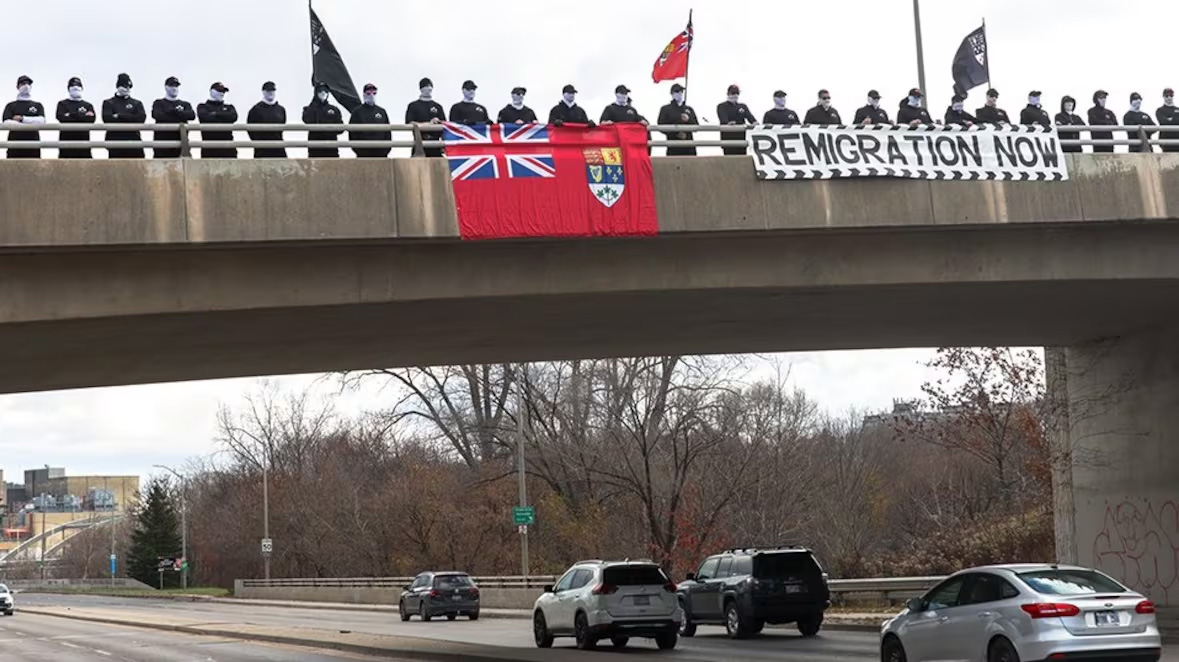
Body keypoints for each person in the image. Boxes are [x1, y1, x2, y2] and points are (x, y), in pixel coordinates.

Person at [102, 73, 148, 159]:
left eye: (129, 86)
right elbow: (107, 119)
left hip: (134, 142)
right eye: (125, 86)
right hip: (115, 143)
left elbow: (141, 119)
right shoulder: (108, 103)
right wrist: (131, 117)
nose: (127, 88)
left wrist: (119, 116)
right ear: (118, 86)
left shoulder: (137, 103)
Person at [2, 75, 46, 159]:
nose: (26, 86)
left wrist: (22, 119)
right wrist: (31, 123)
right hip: (14, 146)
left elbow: (41, 121)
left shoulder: (37, 105)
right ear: (17, 86)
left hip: (33, 146)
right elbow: (6, 123)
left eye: (28, 83)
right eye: (23, 83)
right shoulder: (10, 106)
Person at [151, 76, 196, 159]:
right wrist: (178, 115)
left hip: (180, 145)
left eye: (176, 86)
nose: (174, 88)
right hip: (162, 146)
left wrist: (171, 113)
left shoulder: (185, 104)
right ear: (166, 87)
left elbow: (192, 116)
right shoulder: (158, 103)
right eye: (172, 86)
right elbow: (157, 115)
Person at [55, 76, 96, 159]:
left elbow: (91, 119)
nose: (75, 87)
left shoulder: (88, 105)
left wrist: (70, 115)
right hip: (66, 145)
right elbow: (61, 117)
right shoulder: (62, 104)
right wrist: (82, 116)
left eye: (78, 85)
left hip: (84, 145)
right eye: (73, 86)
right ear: (68, 89)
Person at [197, 82, 239, 159]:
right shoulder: (202, 106)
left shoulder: (229, 107)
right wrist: (224, 116)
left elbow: (233, 117)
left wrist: (215, 114)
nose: (222, 93)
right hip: (209, 149)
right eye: (219, 91)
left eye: (223, 91)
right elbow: (205, 118)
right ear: (212, 91)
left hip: (228, 149)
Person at [406, 77, 446, 157]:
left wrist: (444, 145)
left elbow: (445, 126)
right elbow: (409, 123)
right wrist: (428, 124)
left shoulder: (437, 106)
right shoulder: (413, 106)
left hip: (435, 145)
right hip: (419, 144)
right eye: (427, 86)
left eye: (431, 86)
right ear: (421, 89)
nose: (429, 88)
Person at [350, 83, 391, 158]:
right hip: (363, 155)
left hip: (381, 154)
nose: (371, 95)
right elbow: (352, 134)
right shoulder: (357, 112)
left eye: (374, 93)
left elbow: (388, 133)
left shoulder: (382, 111)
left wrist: (385, 150)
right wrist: (359, 151)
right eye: (369, 93)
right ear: (364, 94)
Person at [303, 82, 344, 158]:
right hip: (315, 150)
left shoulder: (334, 109)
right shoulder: (309, 109)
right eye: (320, 91)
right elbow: (307, 119)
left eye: (325, 91)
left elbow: (341, 129)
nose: (323, 93)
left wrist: (328, 128)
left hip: (332, 149)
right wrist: (314, 103)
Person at [247, 81, 286, 159]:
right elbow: (250, 129)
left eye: (272, 91)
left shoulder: (280, 109)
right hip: (262, 149)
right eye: (268, 91)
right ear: (263, 92)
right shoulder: (255, 110)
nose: (270, 93)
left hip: (278, 147)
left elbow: (283, 126)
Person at [657, 83, 698, 156]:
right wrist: (676, 133)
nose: (679, 93)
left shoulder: (689, 109)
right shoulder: (666, 109)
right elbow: (661, 126)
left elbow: (696, 127)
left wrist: (688, 120)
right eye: (677, 91)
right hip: (673, 147)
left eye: (681, 91)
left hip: (689, 147)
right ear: (672, 93)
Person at [716, 84, 754, 155]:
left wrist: (755, 123)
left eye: (737, 93)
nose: (735, 95)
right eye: (733, 93)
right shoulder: (721, 106)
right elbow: (723, 119)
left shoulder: (743, 106)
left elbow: (751, 118)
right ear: (728, 94)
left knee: (742, 160)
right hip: (728, 139)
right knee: (729, 161)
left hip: (741, 139)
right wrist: (728, 124)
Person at [1157, 88, 1179, 153]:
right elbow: (1163, 122)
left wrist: (1170, 119)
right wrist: (1175, 119)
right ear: (1163, 97)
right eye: (1167, 96)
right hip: (1165, 142)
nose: (1169, 98)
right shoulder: (1160, 110)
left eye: (1171, 95)